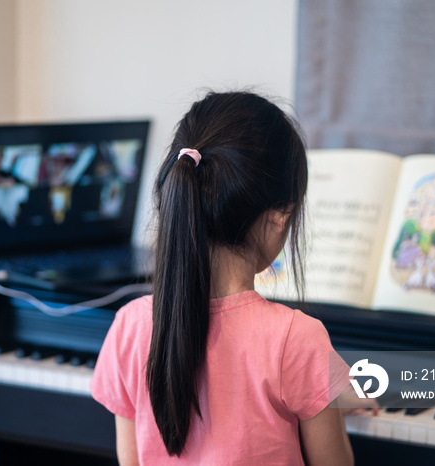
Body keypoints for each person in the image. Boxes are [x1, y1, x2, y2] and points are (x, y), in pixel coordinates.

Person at [90, 91, 358, 465]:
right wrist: (326, 400)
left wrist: (324, 393)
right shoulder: (300, 338)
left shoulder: (130, 324)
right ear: (280, 217)